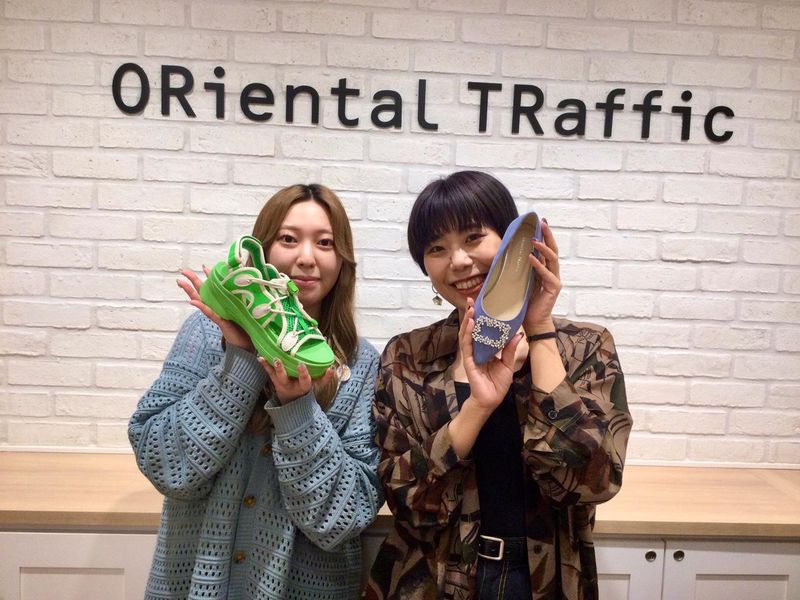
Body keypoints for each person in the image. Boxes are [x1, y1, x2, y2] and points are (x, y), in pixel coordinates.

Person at [364, 171, 633, 600]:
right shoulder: (407, 357)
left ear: (512, 243)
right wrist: (478, 407)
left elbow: (593, 482)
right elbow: (406, 501)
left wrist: (540, 330)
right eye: (436, 248)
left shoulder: (584, 347)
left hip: (546, 580)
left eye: (473, 238)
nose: (458, 261)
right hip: (433, 579)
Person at [129, 183, 382, 599]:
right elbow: (166, 466)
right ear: (261, 252)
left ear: (342, 260)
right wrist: (241, 363)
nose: (306, 257)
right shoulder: (205, 334)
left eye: (324, 243)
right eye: (288, 239)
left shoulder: (360, 363)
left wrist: (298, 409)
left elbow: (343, 518)